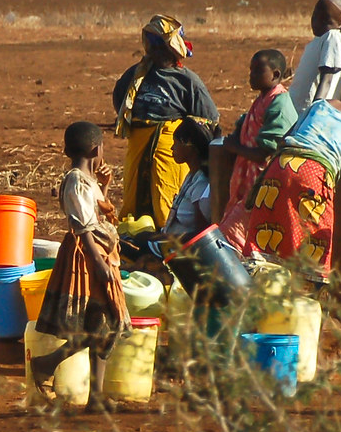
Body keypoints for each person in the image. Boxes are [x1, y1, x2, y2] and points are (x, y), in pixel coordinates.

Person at [242, 84, 341, 283]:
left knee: (267, 236)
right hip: (312, 177)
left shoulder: (322, 104)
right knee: (313, 245)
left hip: (279, 168)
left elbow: (285, 138)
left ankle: (250, 296)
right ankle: (303, 302)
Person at [31, 121, 131, 411]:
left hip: (99, 254)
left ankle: (96, 397)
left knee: (103, 324)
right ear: (96, 148)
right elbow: (83, 226)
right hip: (87, 257)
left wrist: (104, 186)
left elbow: (101, 214)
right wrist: (98, 262)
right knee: (101, 323)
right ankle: (47, 364)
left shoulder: (86, 180)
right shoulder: (75, 180)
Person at [112, 14, 219, 230]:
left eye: (162, 45)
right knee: (134, 194)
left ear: (173, 48)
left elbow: (208, 118)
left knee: (165, 194)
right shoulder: (136, 74)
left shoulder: (187, 80)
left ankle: (165, 238)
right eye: (153, 45)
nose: (157, 51)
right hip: (138, 142)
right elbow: (120, 100)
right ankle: (134, 236)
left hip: (169, 147)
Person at [218, 49, 298, 248]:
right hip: (250, 181)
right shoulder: (264, 99)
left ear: (276, 75)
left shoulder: (279, 104)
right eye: (250, 70)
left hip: (264, 183)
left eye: (257, 71)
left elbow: (265, 153)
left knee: (233, 233)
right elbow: (246, 123)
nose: (251, 76)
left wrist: (234, 147)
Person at [121, 117, 215, 271]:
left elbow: (200, 237)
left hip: (178, 253)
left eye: (175, 143)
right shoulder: (191, 177)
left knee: (123, 247)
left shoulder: (202, 185)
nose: (171, 148)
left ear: (189, 146)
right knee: (129, 240)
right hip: (168, 243)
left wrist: (160, 239)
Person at [289, 0, 341, 115]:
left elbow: (327, 79)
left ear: (339, 24)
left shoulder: (333, 37)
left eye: (325, 20)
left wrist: (314, 112)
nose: (316, 21)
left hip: (307, 112)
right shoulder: (320, 40)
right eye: (315, 16)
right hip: (298, 112)